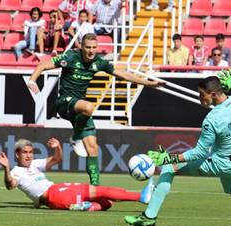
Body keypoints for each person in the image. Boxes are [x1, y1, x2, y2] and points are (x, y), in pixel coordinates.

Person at [124, 70, 231, 226]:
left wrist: (168, 158)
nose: (200, 98)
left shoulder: (212, 119)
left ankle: (149, 217)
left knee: (170, 167)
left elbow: (200, 153)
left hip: (221, 164)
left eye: (202, 95)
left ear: (213, 94)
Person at [27, 33, 164, 186]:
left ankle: (95, 187)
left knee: (92, 148)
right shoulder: (71, 57)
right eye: (88, 47)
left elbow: (123, 75)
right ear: (81, 47)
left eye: (94, 47)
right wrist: (32, 80)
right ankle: (76, 136)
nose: (91, 51)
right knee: (89, 106)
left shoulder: (99, 62)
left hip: (80, 111)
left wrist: (148, 83)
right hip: (64, 103)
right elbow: (43, 65)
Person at [0, 138, 154, 211]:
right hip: (54, 194)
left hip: (57, 192)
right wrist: (6, 168)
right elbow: (10, 185)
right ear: (17, 154)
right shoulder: (15, 172)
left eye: (30, 152)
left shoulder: (34, 164)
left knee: (107, 203)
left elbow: (57, 159)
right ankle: (141, 196)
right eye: (25, 153)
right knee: (101, 190)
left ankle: (83, 207)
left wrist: (58, 147)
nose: (29, 156)